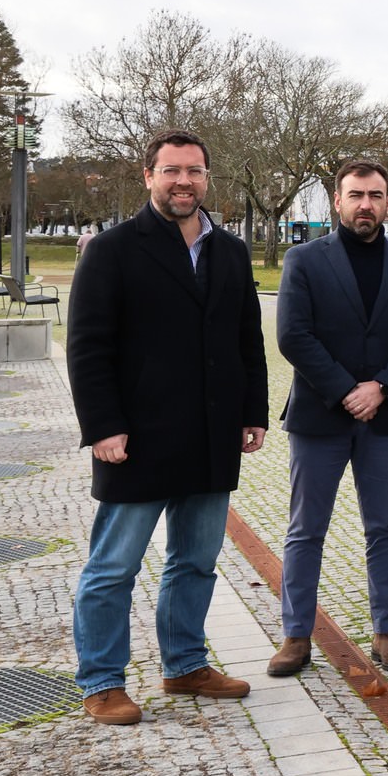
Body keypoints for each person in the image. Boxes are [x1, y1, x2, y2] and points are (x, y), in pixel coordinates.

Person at [67, 129, 268, 725]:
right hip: (136, 438)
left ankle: (184, 665)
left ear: (208, 178)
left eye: (195, 171)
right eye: (172, 170)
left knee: (196, 562)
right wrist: (103, 426)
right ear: (149, 176)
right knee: (113, 567)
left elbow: (246, 341)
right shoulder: (112, 250)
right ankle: (102, 680)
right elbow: (88, 347)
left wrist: (252, 412)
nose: (184, 181)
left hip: (210, 435)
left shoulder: (229, 251)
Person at [269, 160, 388, 677]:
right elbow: (294, 336)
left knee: (384, 528)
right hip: (320, 415)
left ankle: (386, 633)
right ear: (338, 200)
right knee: (305, 529)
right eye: (356, 195)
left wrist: (381, 387)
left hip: (385, 417)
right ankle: (296, 636)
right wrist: (347, 390)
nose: (366, 204)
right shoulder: (304, 261)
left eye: (376, 196)